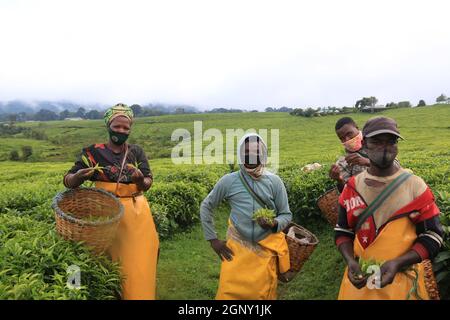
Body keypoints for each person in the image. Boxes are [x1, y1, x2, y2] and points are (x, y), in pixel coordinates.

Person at [334, 116, 444, 300]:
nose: (384, 147)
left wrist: (398, 262)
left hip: (403, 287)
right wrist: (351, 261)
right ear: (365, 144)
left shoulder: (415, 187)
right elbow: (342, 231)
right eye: (376, 141)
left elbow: (433, 235)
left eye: (391, 141)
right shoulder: (352, 188)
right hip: (359, 288)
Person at [63, 103, 159, 300]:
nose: (121, 131)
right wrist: (80, 176)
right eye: (117, 126)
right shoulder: (92, 153)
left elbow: (148, 182)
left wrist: (140, 180)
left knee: (137, 261)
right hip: (103, 213)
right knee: (104, 260)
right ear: (108, 126)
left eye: (126, 128)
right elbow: (68, 180)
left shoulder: (136, 152)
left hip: (135, 214)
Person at [200, 133, 292, 300]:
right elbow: (207, 206)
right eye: (247, 151)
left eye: (256, 152)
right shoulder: (229, 181)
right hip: (236, 252)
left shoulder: (274, 182)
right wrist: (213, 240)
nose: (251, 156)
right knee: (228, 294)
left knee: (261, 296)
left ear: (263, 154)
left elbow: (286, 214)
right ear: (241, 154)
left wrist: (273, 223)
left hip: (264, 253)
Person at [329, 117, 371, 192]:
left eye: (349, 134)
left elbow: (395, 166)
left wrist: (367, 162)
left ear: (357, 128)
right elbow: (346, 192)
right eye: (342, 138)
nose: (347, 139)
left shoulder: (376, 145)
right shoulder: (343, 162)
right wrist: (339, 180)